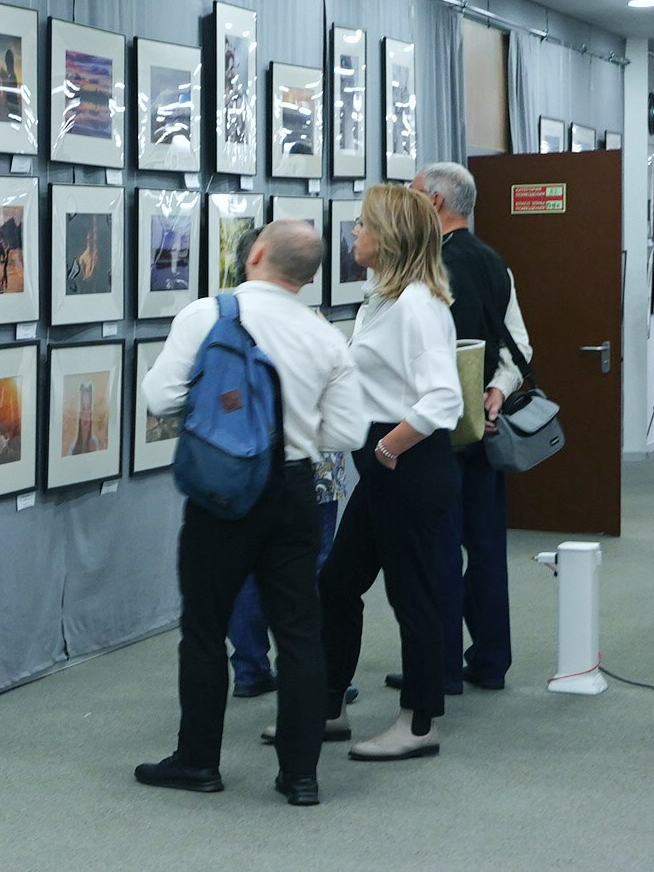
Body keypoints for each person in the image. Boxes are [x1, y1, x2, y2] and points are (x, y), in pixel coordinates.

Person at [134, 219, 364, 807]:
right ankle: (301, 775)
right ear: (310, 276)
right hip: (295, 492)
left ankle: (198, 762)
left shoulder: (207, 314)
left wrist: (221, 411)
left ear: (255, 254)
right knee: (299, 634)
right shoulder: (325, 337)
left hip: (224, 496)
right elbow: (348, 431)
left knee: (205, 630)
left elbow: (159, 397)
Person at [371, 161, 534, 697]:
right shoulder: (496, 262)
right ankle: (490, 660)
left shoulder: (422, 269)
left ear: (435, 203)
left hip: (432, 432)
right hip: (482, 425)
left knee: (437, 548)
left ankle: (437, 670)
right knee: (486, 546)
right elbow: (518, 346)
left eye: (414, 194)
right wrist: (497, 393)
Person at [318, 183, 462, 761]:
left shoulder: (416, 306)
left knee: (413, 596)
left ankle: (419, 723)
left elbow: (443, 399)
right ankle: (327, 706)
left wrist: (386, 450)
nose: (354, 232)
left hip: (405, 463)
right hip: (385, 467)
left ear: (391, 237)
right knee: (337, 584)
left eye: (363, 224)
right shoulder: (381, 299)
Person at [224, 230, 354, 702]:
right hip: (309, 472)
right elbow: (344, 423)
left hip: (239, 469)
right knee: (311, 572)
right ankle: (310, 672)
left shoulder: (222, 321)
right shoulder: (314, 327)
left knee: (241, 569)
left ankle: (250, 667)